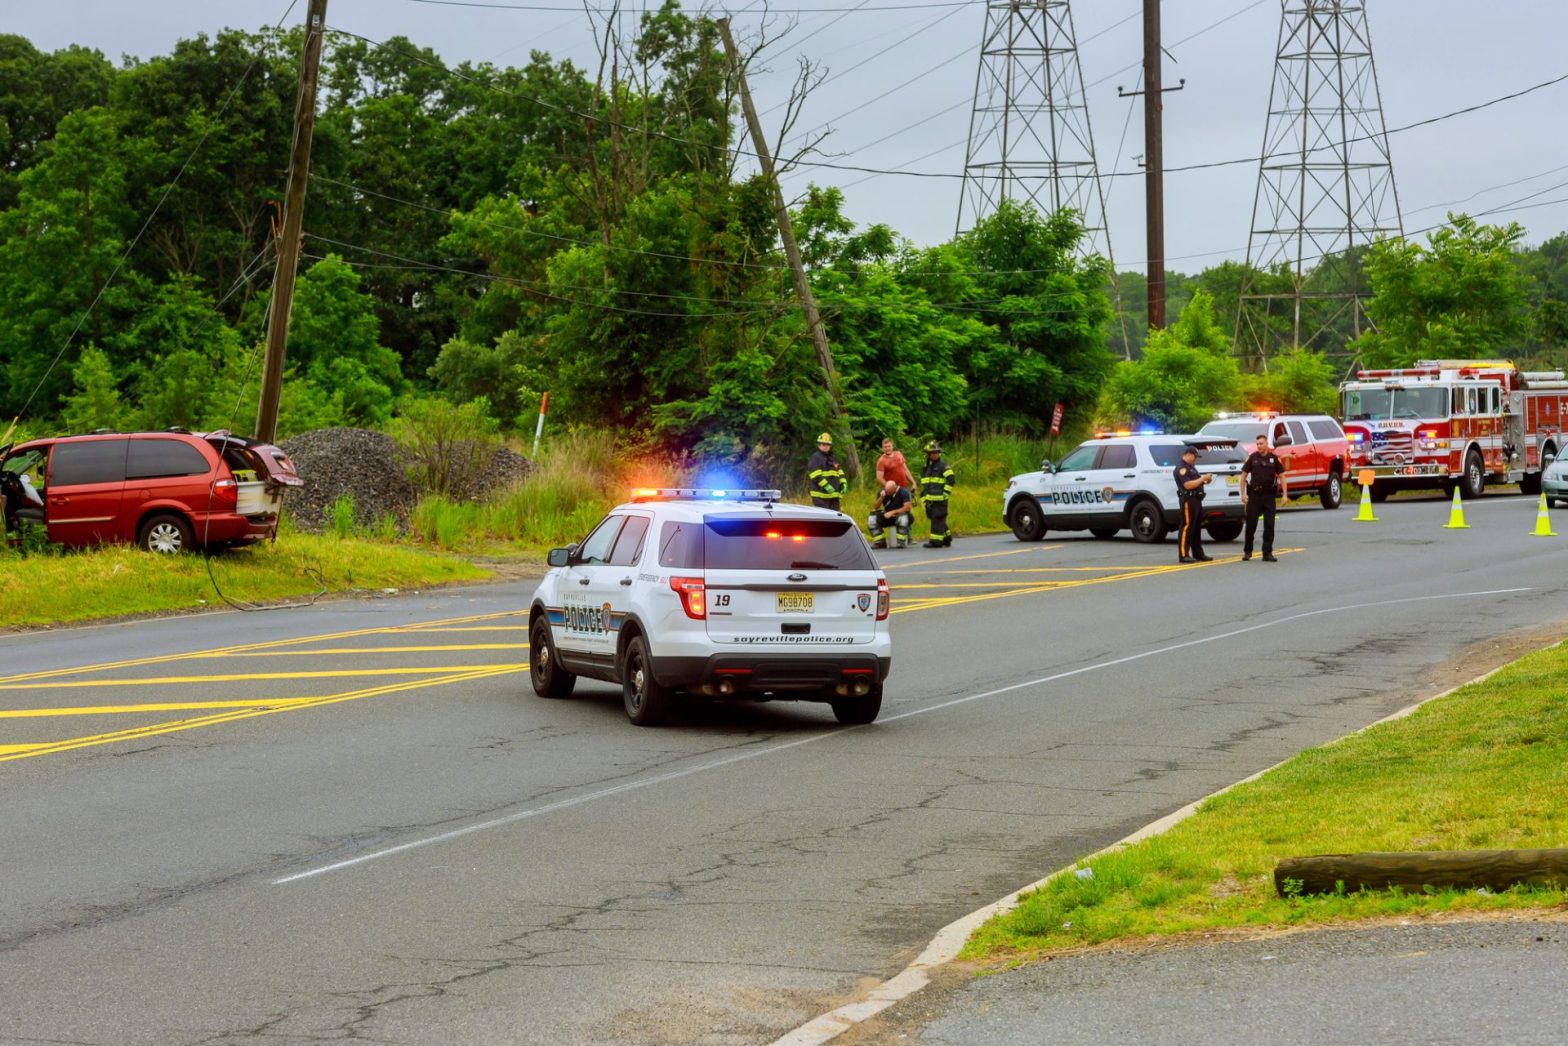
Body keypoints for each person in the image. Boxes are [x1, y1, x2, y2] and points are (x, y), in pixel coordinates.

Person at [1241, 433, 1287, 562]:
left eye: (1261, 444)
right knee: (1251, 524)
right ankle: (1248, 551)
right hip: (1255, 495)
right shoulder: (1252, 458)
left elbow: (1282, 476)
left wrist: (1284, 495)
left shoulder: (1274, 458)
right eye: (1257, 444)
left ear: (1267, 444)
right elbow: (1243, 476)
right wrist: (1243, 494)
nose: (1259, 446)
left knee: (1269, 525)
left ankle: (1267, 553)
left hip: (1269, 496)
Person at [1173, 444, 1214, 563]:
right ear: (1188, 455)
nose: (1196, 459)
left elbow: (1196, 482)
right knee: (1187, 527)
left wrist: (1205, 481)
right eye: (1194, 457)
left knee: (1196, 528)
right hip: (1188, 500)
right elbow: (1187, 485)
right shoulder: (1182, 468)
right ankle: (1183, 554)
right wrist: (1202, 479)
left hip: (1196, 500)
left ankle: (1198, 553)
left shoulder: (1191, 467)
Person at [919, 440, 955, 548]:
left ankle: (936, 542)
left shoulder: (943, 467)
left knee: (937, 519)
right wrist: (924, 498)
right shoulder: (926, 468)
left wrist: (945, 494)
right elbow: (925, 484)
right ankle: (946, 538)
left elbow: (951, 480)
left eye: (936, 453)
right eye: (932, 453)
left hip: (940, 500)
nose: (934, 455)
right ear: (928, 454)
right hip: (930, 500)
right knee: (936, 518)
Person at [867, 479, 914, 549]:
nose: (887, 492)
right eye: (886, 490)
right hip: (889, 517)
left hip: (903, 516)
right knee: (872, 518)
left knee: (902, 518)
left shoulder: (903, 492)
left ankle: (901, 542)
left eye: (889, 491)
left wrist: (893, 512)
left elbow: (907, 508)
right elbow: (875, 507)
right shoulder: (882, 492)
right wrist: (881, 497)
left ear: (895, 488)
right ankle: (880, 542)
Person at [807, 432, 846, 512]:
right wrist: (826, 486)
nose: (825, 446)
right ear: (819, 445)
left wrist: (843, 483)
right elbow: (815, 475)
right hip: (821, 497)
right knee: (823, 520)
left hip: (834, 496)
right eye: (823, 444)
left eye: (828, 444)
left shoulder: (833, 458)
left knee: (835, 519)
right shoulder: (815, 457)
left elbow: (840, 472)